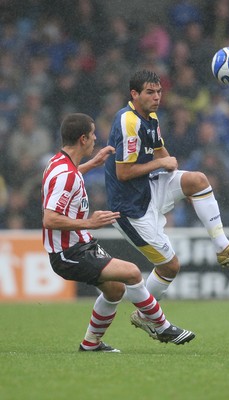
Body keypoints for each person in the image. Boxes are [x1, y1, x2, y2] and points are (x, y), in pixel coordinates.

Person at [104, 70, 229, 336]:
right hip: (130, 209)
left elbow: (161, 150)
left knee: (197, 180)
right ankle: (146, 315)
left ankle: (223, 247)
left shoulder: (150, 117)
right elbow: (123, 172)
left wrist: (175, 172)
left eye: (159, 92)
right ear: (134, 94)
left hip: (149, 188)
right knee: (170, 266)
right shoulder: (128, 121)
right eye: (150, 92)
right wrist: (162, 163)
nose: (156, 97)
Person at [42, 113, 195, 352]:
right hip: (67, 252)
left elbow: (67, 178)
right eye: (92, 135)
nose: (95, 139)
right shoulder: (66, 175)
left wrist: (91, 164)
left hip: (81, 245)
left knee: (115, 289)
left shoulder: (59, 163)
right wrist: (89, 223)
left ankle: (90, 344)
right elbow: (49, 219)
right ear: (83, 139)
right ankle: (162, 326)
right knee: (132, 273)